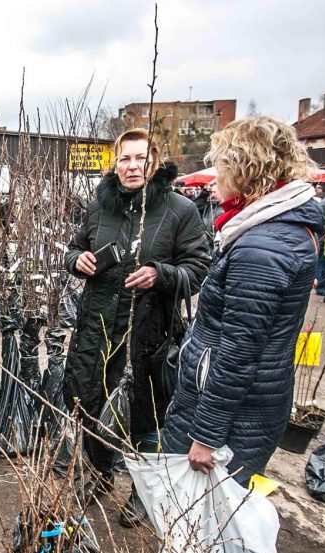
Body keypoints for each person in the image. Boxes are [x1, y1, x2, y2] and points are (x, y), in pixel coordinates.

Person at [160, 116, 322, 553]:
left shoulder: (260, 246)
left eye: (223, 165)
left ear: (248, 170)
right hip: (249, 407)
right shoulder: (271, 230)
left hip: (231, 414)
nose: (216, 176)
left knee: (208, 528)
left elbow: (237, 351)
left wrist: (205, 436)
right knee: (215, 522)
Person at [63, 127, 211, 525]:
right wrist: (77, 260)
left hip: (147, 335)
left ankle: (145, 493)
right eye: (125, 158)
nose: (132, 166)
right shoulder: (100, 207)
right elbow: (75, 247)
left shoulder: (180, 211)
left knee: (146, 416)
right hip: (97, 329)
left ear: (155, 161)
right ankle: (98, 475)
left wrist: (160, 274)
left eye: (141, 158)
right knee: (92, 405)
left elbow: (198, 269)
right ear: (115, 162)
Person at [313, 185, 325, 295]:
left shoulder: (322, 203)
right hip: (322, 238)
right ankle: (319, 286)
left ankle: (319, 285)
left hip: (321, 237)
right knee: (321, 263)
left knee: (320, 263)